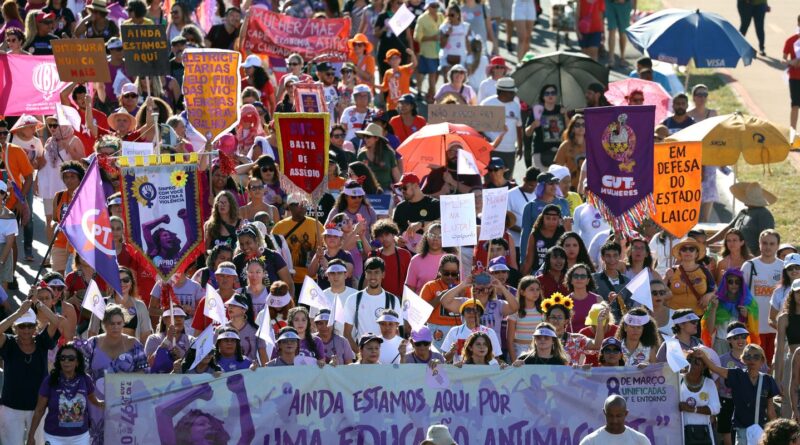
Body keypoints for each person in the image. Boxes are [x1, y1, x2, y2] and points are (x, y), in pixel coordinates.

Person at [0, 298, 61, 445]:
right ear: (15, 327)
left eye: (30, 326)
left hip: (40, 407)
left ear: (35, 327)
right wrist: (18, 312)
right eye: (22, 326)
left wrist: (38, 302)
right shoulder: (8, 343)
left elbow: (56, 321)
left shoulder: (42, 342)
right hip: (11, 407)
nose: (26, 330)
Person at [696, 344, 779, 444]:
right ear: (743, 360)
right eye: (748, 356)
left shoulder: (768, 380)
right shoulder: (737, 374)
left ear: (762, 361)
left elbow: (771, 411)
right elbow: (715, 368)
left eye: (756, 357)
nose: (752, 360)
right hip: (742, 428)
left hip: (761, 429)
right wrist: (703, 356)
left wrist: (776, 430)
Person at [27, 343, 103, 445]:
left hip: (80, 437)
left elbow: (93, 399)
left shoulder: (85, 379)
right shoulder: (50, 380)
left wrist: (104, 403)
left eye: (71, 358)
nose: (66, 361)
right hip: (54, 436)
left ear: (77, 362)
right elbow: (39, 410)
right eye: (63, 358)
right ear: (59, 361)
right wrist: (31, 436)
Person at [741, 229, 783, 365]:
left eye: (772, 243)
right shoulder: (749, 266)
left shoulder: (784, 267)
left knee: (773, 365)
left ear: (777, 245)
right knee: (754, 365)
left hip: (776, 326)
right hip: (754, 325)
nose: (768, 247)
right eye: (765, 243)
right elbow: (741, 293)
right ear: (759, 244)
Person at [343, 257, 403, 351]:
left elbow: (397, 332)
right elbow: (346, 334)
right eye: (369, 272)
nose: (373, 276)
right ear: (365, 274)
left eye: (376, 272)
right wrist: (361, 354)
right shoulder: (353, 299)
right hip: (363, 359)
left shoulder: (393, 300)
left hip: (387, 357)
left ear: (383, 274)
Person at [272, 194, 324, 292]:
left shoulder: (316, 224)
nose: (301, 207)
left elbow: (325, 247)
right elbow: (273, 251)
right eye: (297, 204)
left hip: (310, 278)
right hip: (287, 279)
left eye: (304, 204)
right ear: (290, 206)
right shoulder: (279, 227)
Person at [709, 182, 776, 257]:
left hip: (750, 257)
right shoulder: (743, 212)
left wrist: (756, 260)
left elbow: (767, 239)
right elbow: (728, 229)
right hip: (735, 256)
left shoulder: (764, 215)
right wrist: (708, 242)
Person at [519, 174, 571, 262]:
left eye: (556, 183)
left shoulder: (564, 203)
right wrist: (523, 259)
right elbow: (525, 234)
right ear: (541, 186)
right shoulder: (531, 206)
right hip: (539, 252)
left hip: (560, 252)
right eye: (550, 183)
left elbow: (569, 229)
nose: (554, 186)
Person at [664, 237, 715, 316]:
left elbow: (715, 290)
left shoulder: (705, 271)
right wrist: (666, 278)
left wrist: (709, 295)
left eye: (691, 249)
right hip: (674, 316)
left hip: (697, 316)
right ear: (680, 253)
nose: (688, 251)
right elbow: (660, 291)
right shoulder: (672, 271)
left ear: (696, 253)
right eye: (684, 249)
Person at [481, 77, 523, 173]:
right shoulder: (486, 104)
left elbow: (519, 127)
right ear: (503, 92)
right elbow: (477, 127)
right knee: (491, 181)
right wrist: (485, 139)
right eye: (512, 92)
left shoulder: (516, 105)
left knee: (507, 180)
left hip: (510, 151)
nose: (514, 95)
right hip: (491, 150)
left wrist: (520, 147)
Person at [680, 351, 721, 445]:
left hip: (703, 433)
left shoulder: (709, 383)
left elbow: (716, 408)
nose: (692, 363)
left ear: (704, 366)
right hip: (680, 431)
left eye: (697, 361)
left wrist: (693, 409)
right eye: (689, 360)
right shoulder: (677, 380)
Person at [578, 395, 650, 444]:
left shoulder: (640, 441)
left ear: (626, 413)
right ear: (604, 413)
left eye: (618, 416)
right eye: (610, 416)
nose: (614, 420)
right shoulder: (590, 441)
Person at [529, 86, 569, 170]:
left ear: (556, 96)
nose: (550, 95)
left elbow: (570, 129)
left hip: (559, 152)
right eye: (547, 93)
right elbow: (527, 133)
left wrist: (565, 115)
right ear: (543, 96)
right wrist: (533, 125)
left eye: (553, 93)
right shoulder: (537, 110)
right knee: (542, 180)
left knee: (558, 180)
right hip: (540, 152)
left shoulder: (561, 109)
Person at [145, 308, 192, 374]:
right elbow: (150, 363)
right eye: (174, 316)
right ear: (164, 320)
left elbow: (194, 366)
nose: (179, 319)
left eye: (182, 316)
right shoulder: (153, 339)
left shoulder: (190, 340)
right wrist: (168, 339)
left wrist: (181, 356)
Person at [784, 17, 800, 130]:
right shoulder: (791, 41)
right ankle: (793, 134)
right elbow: (783, 60)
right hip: (795, 78)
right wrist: (791, 62)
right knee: (795, 105)